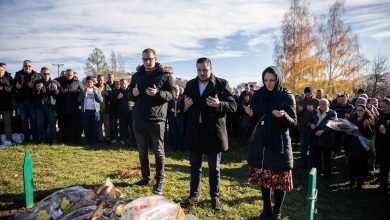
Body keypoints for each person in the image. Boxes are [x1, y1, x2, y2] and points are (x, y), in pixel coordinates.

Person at [182, 57, 237, 211]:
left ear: (211, 69)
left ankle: (215, 197)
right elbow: (182, 104)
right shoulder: (191, 84)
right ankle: (194, 195)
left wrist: (220, 104)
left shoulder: (221, 84)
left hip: (213, 132)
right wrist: (185, 106)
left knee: (214, 168)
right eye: (199, 70)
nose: (202, 73)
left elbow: (233, 106)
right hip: (195, 132)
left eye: (205, 70)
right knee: (195, 167)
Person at [244, 66, 296, 220]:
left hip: (279, 143)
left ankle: (277, 211)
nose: (269, 83)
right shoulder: (259, 95)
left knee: (279, 180)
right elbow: (256, 119)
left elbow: (293, 123)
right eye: (266, 80)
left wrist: (283, 116)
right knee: (264, 179)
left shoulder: (286, 95)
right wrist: (251, 115)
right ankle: (266, 209)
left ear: (278, 79)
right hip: (262, 142)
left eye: (272, 80)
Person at [128, 48, 176, 195]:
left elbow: (173, 94)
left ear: (155, 58)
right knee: (142, 151)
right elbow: (130, 95)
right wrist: (133, 94)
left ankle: (159, 179)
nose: (147, 62)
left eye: (150, 59)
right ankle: (145, 177)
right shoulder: (136, 76)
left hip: (157, 119)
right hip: (139, 118)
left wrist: (158, 93)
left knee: (158, 151)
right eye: (144, 59)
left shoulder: (165, 76)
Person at [345, 104, 375, 189]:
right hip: (352, 145)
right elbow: (346, 129)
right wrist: (346, 130)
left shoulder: (369, 119)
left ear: (365, 110)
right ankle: (351, 182)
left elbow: (372, 133)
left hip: (362, 146)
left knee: (361, 166)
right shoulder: (352, 118)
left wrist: (366, 126)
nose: (359, 112)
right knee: (351, 165)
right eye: (357, 110)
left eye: (361, 110)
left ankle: (359, 184)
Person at [13, 60, 42, 142]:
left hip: (33, 101)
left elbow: (40, 88)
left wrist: (34, 86)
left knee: (33, 120)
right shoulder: (18, 74)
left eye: (29, 66)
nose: (27, 67)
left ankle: (35, 138)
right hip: (22, 101)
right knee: (24, 120)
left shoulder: (36, 75)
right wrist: (16, 86)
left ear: (31, 66)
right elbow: (14, 85)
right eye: (25, 66)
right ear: (23, 66)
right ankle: (26, 138)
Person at [308, 99, 337, 178]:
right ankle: (318, 173)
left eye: (324, 104)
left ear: (328, 105)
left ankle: (327, 174)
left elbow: (333, 124)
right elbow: (309, 121)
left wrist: (323, 131)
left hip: (327, 138)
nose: (322, 105)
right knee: (317, 157)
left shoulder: (332, 113)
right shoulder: (314, 112)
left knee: (327, 158)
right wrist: (311, 125)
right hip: (316, 137)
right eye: (320, 104)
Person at [32, 67, 60, 144]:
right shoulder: (37, 82)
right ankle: (42, 140)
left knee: (52, 124)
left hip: (51, 107)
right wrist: (37, 89)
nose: (46, 75)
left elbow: (59, 95)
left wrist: (56, 90)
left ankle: (53, 139)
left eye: (48, 73)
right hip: (40, 107)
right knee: (40, 124)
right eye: (44, 74)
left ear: (50, 74)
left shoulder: (55, 82)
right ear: (41, 74)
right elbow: (33, 95)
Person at [57, 69, 82, 145]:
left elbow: (82, 93)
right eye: (68, 75)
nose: (69, 76)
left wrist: (77, 92)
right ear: (65, 75)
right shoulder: (61, 81)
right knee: (64, 125)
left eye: (70, 75)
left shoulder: (78, 82)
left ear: (73, 75)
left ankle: (75, 140)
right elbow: (57, 92)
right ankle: (65, 140)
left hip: (74, 107)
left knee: (74, 125)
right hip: (63, 107)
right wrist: (62, 92)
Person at [296, 86, 319, 168]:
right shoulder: (301, 102)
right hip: (303, 127)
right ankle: (303, 163)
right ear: (304, 93)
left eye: (309, 92)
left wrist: (313, 110)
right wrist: (299, 110)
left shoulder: (317, 101)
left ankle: (311, 164)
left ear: (312, 93)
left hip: (313, 127)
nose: (308, 94)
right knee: (303, 146)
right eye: (306, 93)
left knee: (312, 147)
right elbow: (297, 115)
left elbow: (320, 114)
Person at [78, 76, 103, 147]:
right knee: (86, 127)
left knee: (95, 127)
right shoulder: (82, 89)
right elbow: (79, 100)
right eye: (88, 82)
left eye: (91, 82)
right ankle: (87, 142)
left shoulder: (97, 89)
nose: (89, 83)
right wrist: (83, 93)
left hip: (95, 111)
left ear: (93, 83)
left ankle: (95, 143)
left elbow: (100, 100)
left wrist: (96, 93)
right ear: (86, 82)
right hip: (85, 111)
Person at [374, 98, 390, 194]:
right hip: (382, 145)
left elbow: (384, 131)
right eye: (381, 107)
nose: (382, 109)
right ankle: (383, 188)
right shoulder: (382, 114)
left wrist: (386, 132)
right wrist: (374, 124)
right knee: (383, 168)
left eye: (384, 107)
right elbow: (378, 127)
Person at [96, 74, 112, 143]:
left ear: (103, 80)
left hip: (106, 109)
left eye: (101, 80)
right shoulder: (94, 86)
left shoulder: (107, 86)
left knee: (107, 125)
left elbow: (112, 96)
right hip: (97, 110)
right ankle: (100, 139)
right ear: (97, 80)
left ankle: (108, 139)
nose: (100, 81)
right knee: (99, 125)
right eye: (98, 80)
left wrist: (108, 95)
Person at [0, 65, 13, 144]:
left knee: (7, 123)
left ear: (4, 71)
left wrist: (7, 89)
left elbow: (12, 89)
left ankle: (9, 139)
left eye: (1, 70)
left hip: (6, 105)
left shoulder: (8, 78)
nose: (0, 72)